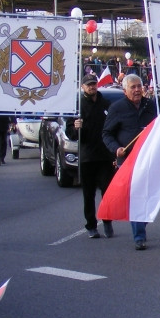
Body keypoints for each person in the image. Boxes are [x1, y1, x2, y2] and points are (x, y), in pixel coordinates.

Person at [102, 74, 157, 250]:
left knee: (149, 197)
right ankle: (139, 236)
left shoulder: (150, 105)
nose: (137, 90)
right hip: (128, 160)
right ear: (125, 90)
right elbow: (107, 133)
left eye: (139, 86)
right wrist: (116, 148)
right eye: (132, 87)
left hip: (148, 159)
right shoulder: (117, 108)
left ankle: (141, 223)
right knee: (136, 198)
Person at [67, 73, 114, 240]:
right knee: (88, 194)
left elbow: (115, 126)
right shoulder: (77, 107)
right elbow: (70, 133)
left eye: (94, 84)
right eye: (88, 85)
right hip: (87, 156)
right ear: (83, 87)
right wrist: (75, 127)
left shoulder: (106, 104)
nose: (92, 87)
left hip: (105, 155)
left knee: (107, 192)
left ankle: (107, 221)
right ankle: (91, 225)